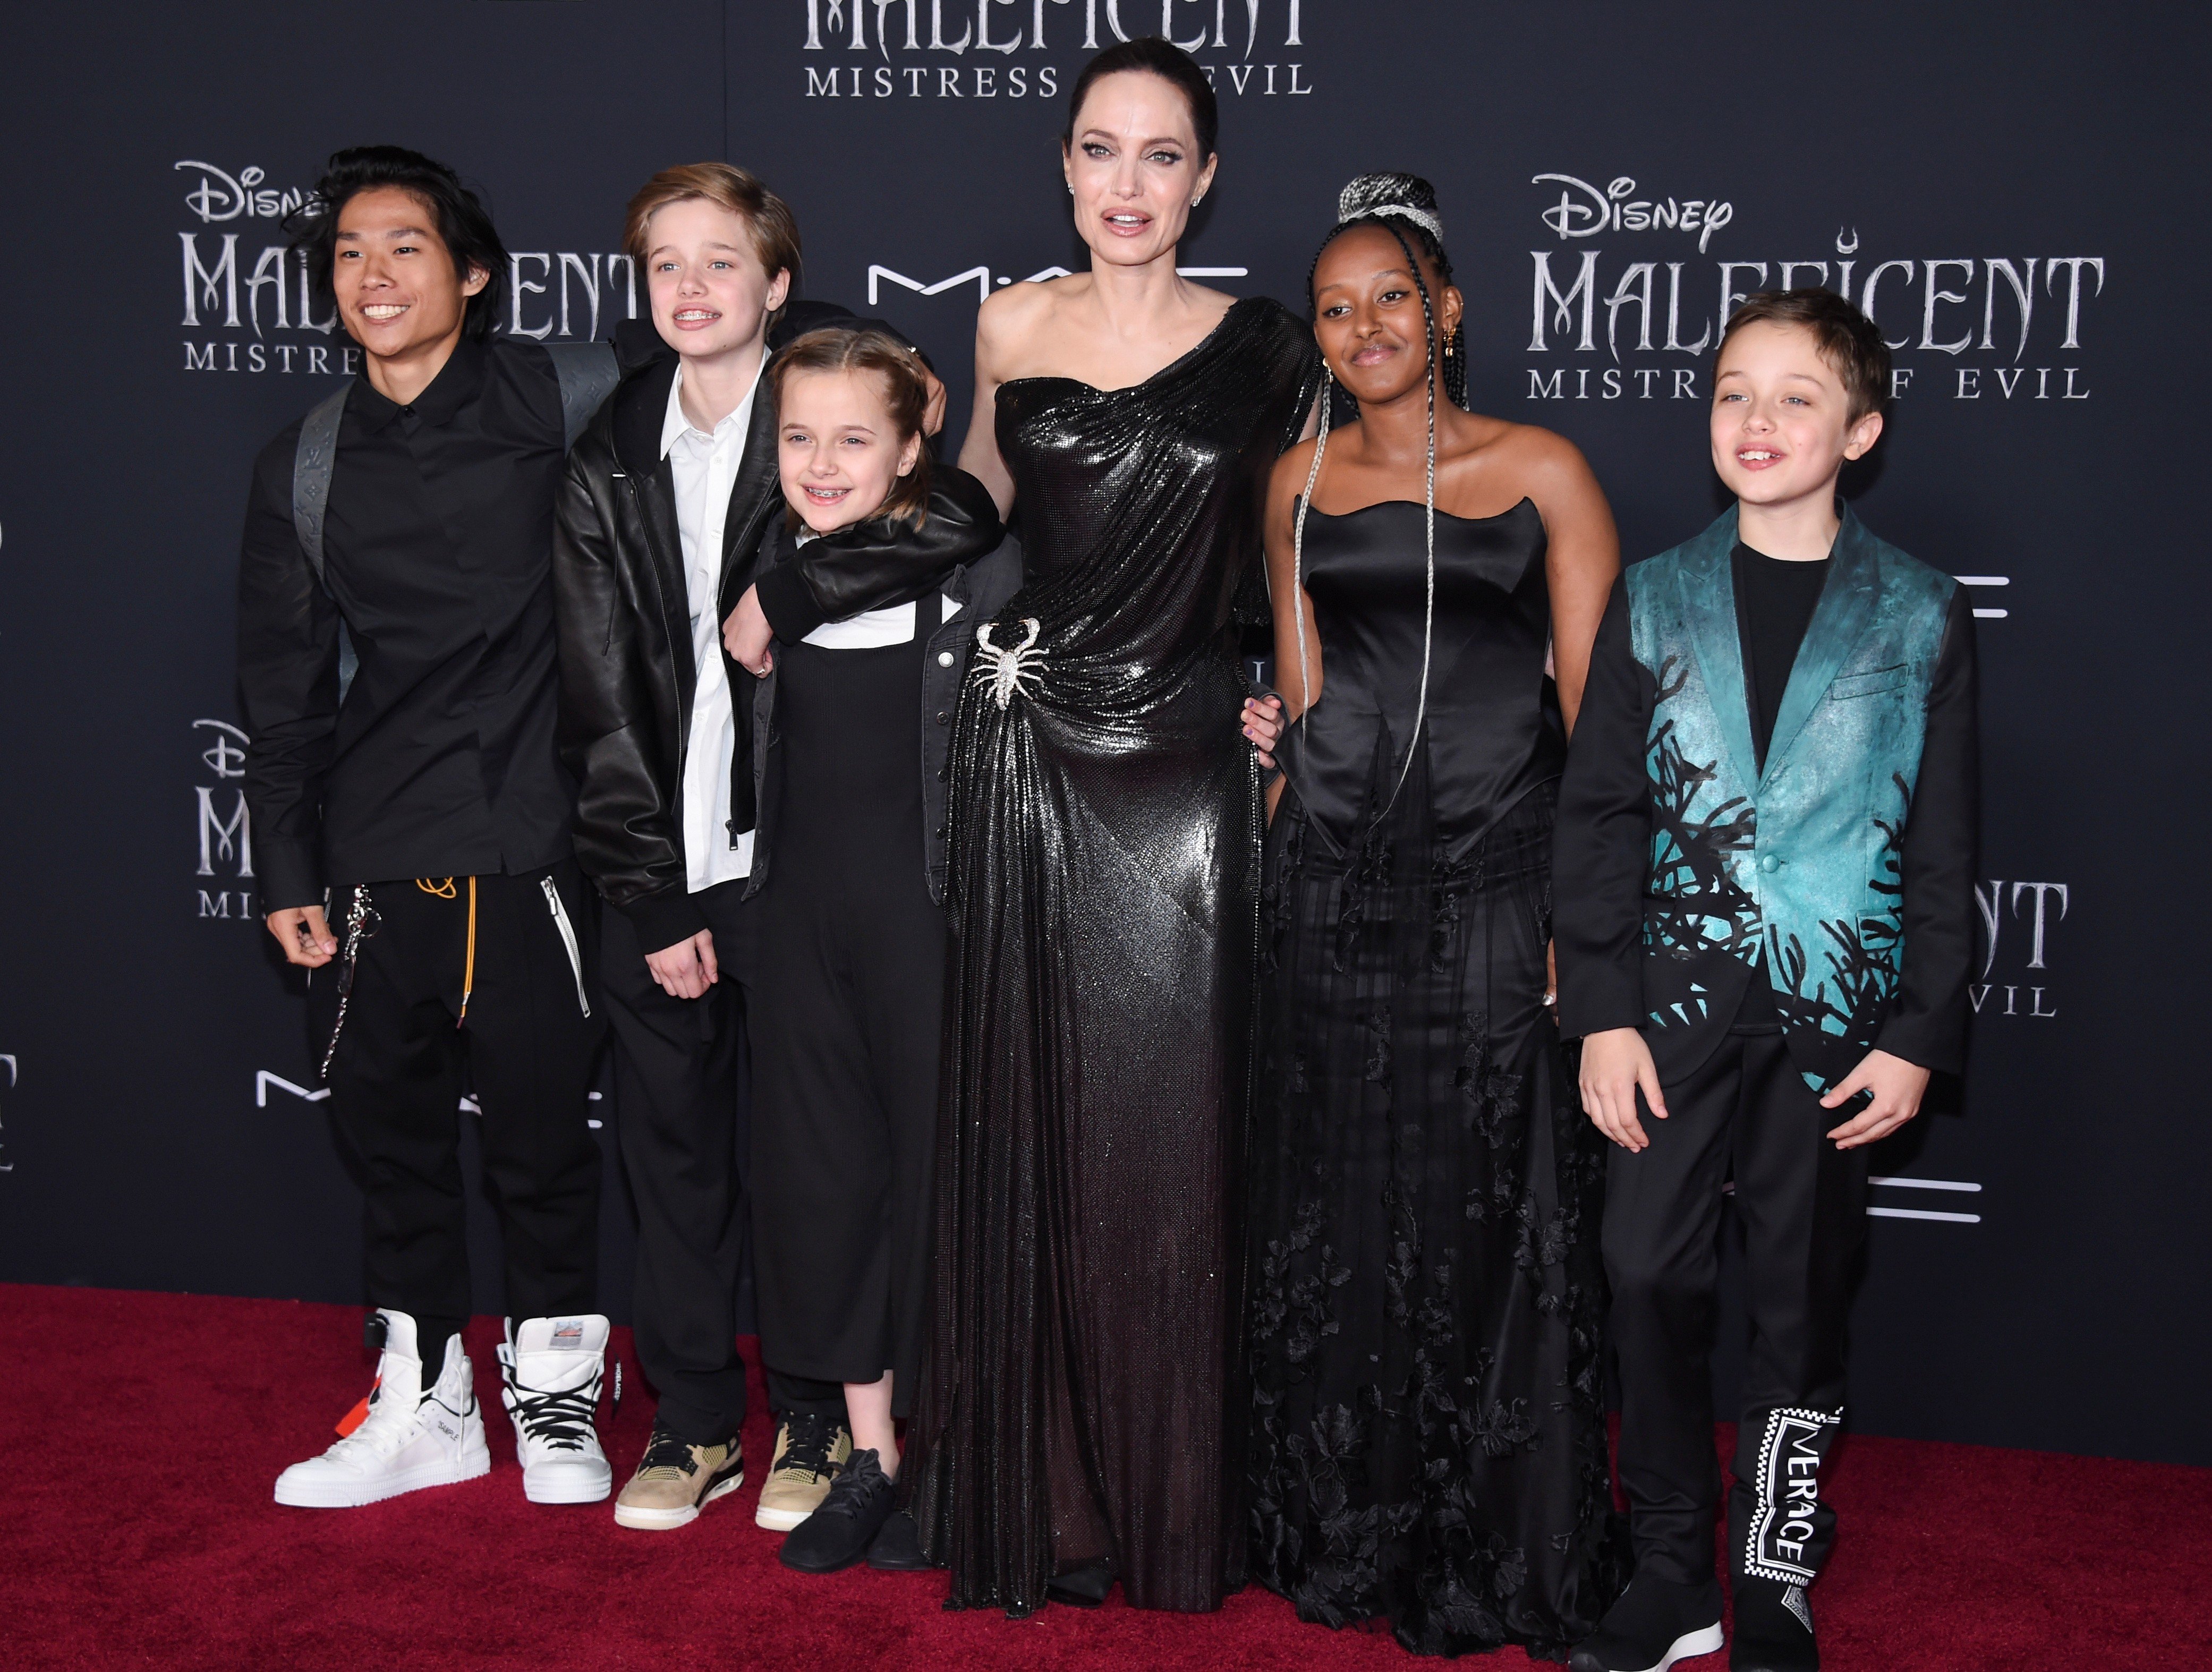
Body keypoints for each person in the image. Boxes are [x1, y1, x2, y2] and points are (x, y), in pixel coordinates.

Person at [901, 36, 1321, 1616]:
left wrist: (1289, 692)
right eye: (1099, 150)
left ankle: (1183, 1508)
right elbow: (970, 515)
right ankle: (1059, 1500)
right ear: (1064, 166)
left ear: (1206, 175)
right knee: (1046, 1124)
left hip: (1194, 762)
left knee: (1178, 1137)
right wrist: (798, 574)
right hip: (1034, 748)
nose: (1127, 184)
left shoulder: (1270, 344)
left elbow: (1302, 537)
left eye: (1161, 155)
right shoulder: (1008, 321)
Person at [1552, 289, 1978, 1672]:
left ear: (1857, 429)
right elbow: (1600, 813)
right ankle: (1673, 1566)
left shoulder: (1918, 614)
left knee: (1798, 1297)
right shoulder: (1657, 591)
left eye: (1796, 396)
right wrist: (1601, 1008)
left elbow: (1942, 837)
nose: (1758, 419)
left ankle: (1774, 1574)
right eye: (1735, 389)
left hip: (1835, 1018)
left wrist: (1920, 1027)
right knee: (1641, 1271)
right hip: (1667, 1009)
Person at [1237, 174, 1624, 1657]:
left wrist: (1579, 923)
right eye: (1333, 309)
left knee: (1490, 1213)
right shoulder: (1290, 479)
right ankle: (1341, 1527)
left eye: (1390, 296)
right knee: (1336, 1206)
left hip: (1492, 878)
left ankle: (1487, 1543)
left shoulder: (1548, 469)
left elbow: (1593, 724)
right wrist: (1278, 827)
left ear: (1448, 308)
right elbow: (1309, 686)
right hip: (1330, 884)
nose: (1363, 326)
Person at [551, 164, 943, 1533]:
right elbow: (600, 697)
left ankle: (824, 1412)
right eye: (667, 265)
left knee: (818, 1156)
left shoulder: (826, 405)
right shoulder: (607, 453)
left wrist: (791, 582)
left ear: (778, 283)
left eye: (723, 261)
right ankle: (700, 1417)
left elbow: (957, 514)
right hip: (662, 855)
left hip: (802, 862)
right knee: (672, 1154)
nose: (694, 289)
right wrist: (652, 892)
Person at [239, 146, 610, 1510]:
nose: (374, 273)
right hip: (379, 845)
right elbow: (279, 686)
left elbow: (743, 354)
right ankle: (427, 1401)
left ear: (473, 275)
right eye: (348, 251)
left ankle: (558, 1388)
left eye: (405, 247)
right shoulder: (309, 459)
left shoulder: (573, 397)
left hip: (544, 841)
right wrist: (286, 858)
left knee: (540, 1143)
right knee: (391, 1143)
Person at [711, 328, 1010, 1574]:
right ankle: (874, 1454)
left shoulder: (974, 573)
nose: (821, 464)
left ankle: (962, 1453)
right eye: (797, 437)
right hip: (798, 922)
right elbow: (711, 738)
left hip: (930, 917)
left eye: (852, 439)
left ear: (908, 450)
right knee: (828, 1186)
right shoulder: (761, 562)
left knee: (944, 1181)